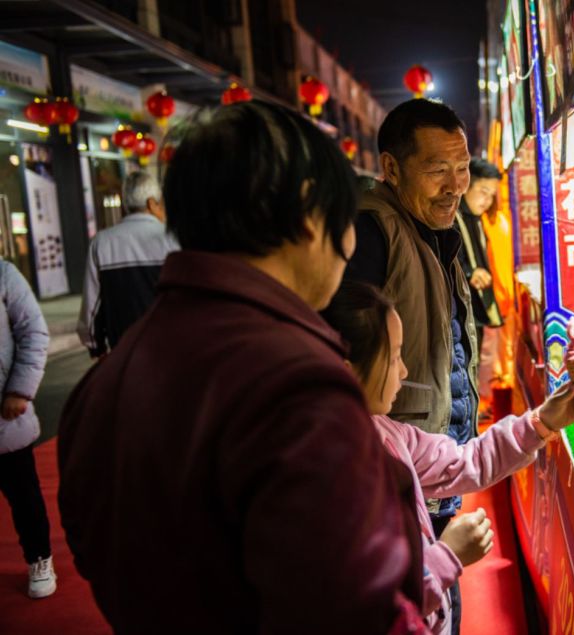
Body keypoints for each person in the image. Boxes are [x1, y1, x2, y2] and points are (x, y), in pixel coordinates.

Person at [58, 102, 426, 634]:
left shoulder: (105, 381)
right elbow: (356, 610)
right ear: (307, 213)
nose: (350, 245)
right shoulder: (299, 386)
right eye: (344, 220)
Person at [321, 281, 574, 635]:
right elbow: (361, 603)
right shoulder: (331, 474)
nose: (404, 372)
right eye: (394, 357)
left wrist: (543, 420)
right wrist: (445, 557)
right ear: (348, 370)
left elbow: (462, 461)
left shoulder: (387, 433)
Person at [344, 98, 478, 631]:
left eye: (462, 167)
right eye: (437, 169)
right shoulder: (371, 232)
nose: (455, 184)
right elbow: (350, 348)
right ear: (392, 168)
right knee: (421, 599)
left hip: (432, 449)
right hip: (399, 461)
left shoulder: (431, 227)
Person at [76, 171, 179, 357]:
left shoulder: (102, 243)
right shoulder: (173, 239)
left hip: (124, 354)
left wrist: (96, 348)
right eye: (161, 203)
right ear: (151, 203)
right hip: (171, 347)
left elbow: (91, 308)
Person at [0, 261, 53, 599]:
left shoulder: (4, 274)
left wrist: (20, 390)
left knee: (24, 497)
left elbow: (33, 331)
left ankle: (40, 560)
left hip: (4, 418)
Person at [456, 158, 503, 351]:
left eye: (491, 195)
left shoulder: (476, 219)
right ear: (467, 185)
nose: (487, 201)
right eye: (483, 192)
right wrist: (469, 273)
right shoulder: (451, 218)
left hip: (476, 309)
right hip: (460, 313)